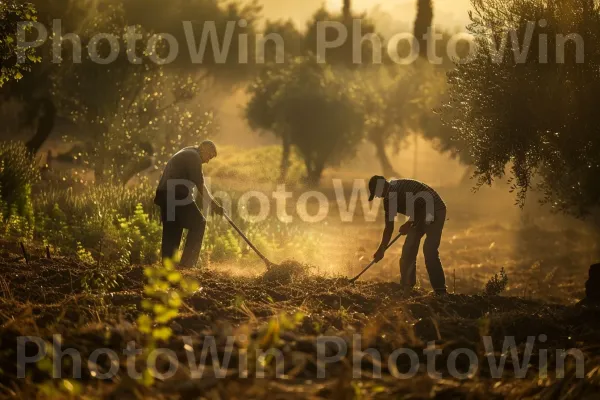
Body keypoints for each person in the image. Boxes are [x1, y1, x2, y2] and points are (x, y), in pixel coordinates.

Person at [368, 175, 447, 294]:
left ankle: (440, 291)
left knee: (429, 250)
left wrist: (409, 223)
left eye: (376, 192)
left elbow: (424, 204)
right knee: (408, 249)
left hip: (435, 208)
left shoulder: (398, 190)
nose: (377, 196)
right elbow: (389, 227)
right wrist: (381, 249)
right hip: (420, 213)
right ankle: (407, 287)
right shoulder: (389, 200)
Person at [153, 141, 224, 268]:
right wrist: (214, 205)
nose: (208, 161)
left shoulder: (188, 152)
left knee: (173, 230)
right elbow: (200, 185)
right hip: (176, 195)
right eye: (209, 156)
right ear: (203, 149)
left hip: (165, 195)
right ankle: (188, 265)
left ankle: (168, 267)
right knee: (199, 223)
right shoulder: (194, 157)